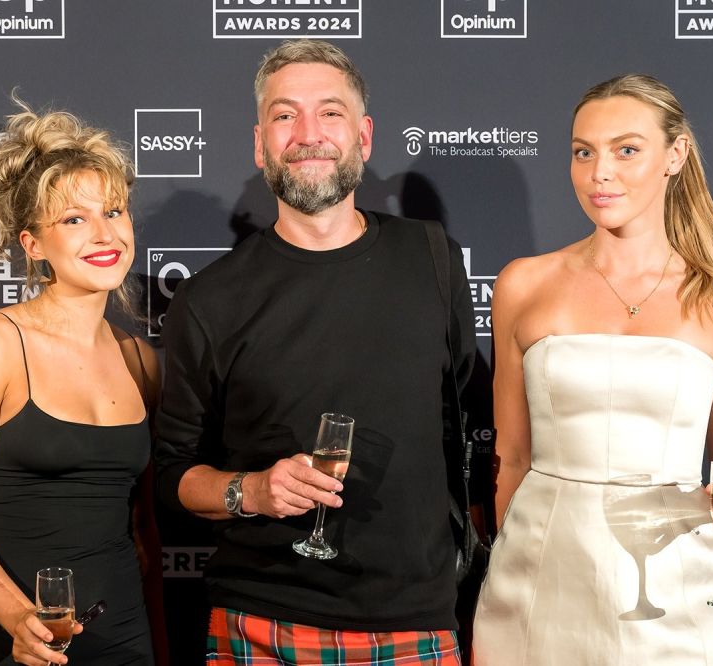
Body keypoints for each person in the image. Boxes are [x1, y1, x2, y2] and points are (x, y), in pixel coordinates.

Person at [154, 39, 476, 664]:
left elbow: (459, 419)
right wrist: (252, 491)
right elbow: (173, 476)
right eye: (285, 115)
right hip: (259, 621)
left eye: (330, 112)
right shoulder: (209, 298)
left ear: (364, 135)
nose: (308, 134)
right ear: (259, 145)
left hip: (413, 620)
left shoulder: (431, 256)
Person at [471, 74, 713, 665]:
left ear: (675, 156)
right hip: (543, 564)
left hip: (676, 571)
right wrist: (509, 557)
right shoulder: (522, 284)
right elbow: (510, 456)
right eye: (583, 152)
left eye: (626, 150)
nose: (599, 173)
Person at [0, 97, 167, 666]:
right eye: (74, 219)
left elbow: (144, 528)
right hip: (11, 636)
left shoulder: (140, 360)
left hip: (122, 636)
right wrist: (18, 618)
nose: (104, 234)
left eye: (114, 211)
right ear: (33, 244)